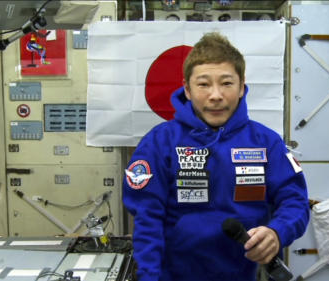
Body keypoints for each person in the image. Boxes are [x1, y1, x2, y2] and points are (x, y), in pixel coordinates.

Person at [123, 32, 309, 281]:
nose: (216, 95)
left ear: (242, 87)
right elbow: (148, 220)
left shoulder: (267, 143)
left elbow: (295, 202)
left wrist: (277, 233)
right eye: (203, 84)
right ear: (187, 90)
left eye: (226, 83)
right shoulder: (159, 143)